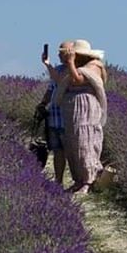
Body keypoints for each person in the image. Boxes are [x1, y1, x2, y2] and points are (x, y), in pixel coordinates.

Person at [53, 39, 108, 194]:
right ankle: (78, 180)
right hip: (72, 111)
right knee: (72, 145)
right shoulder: (77, 67)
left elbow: (78, 80)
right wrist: (48, 65)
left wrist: (70, 63)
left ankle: (88, 181)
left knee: (85, 143)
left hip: (86, 109)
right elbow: (61, 81)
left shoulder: (94, 66)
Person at [39, 41, 72, 185]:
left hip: (67, 117)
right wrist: (42, 104)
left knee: (70, 151)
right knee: (57, 150)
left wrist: (47, 65)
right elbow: (51, 89)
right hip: (54, 116)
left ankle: (79, 180)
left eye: (61, 52)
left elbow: (62, 82)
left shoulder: (75, 70)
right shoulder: (58, 69)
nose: (59, 54)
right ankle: (58, 181)